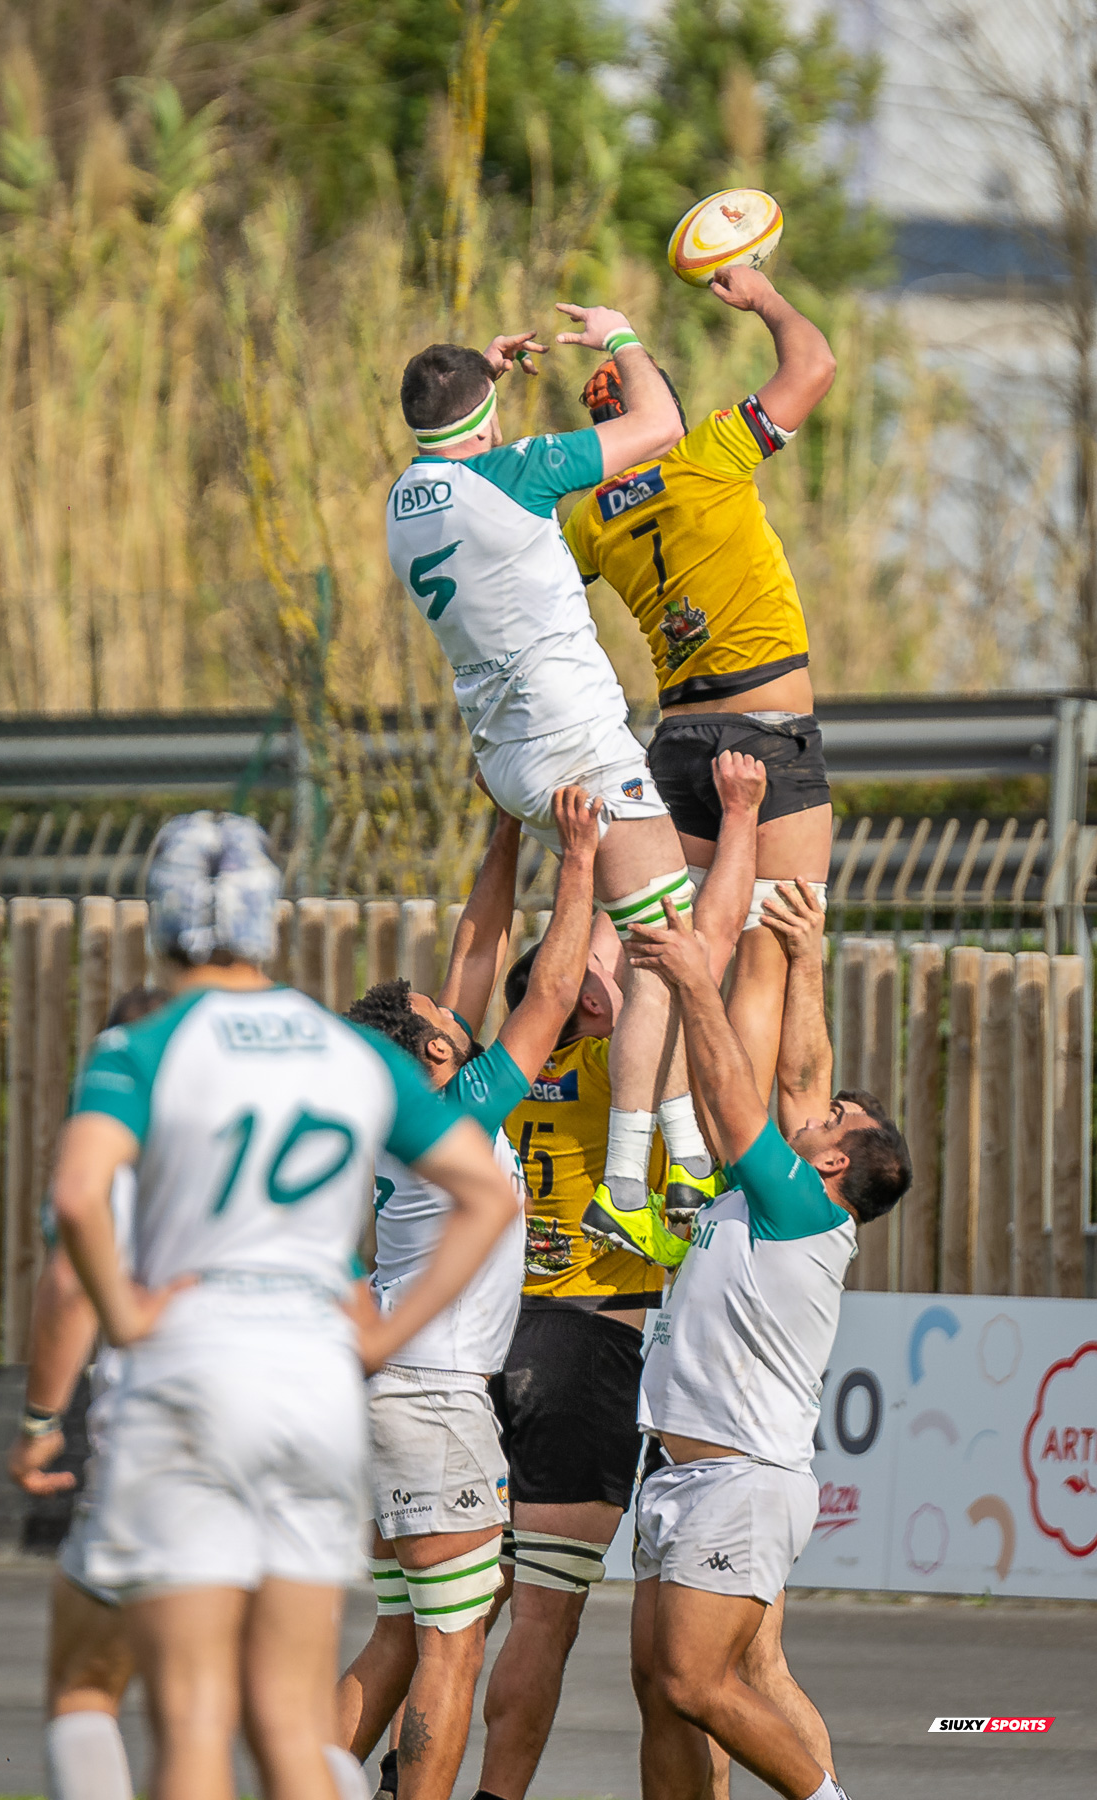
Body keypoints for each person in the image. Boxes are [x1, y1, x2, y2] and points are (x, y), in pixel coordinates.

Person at [50, 812, 520, 1800]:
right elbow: (486, 1194)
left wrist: (127, 1321)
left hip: (193, 1376)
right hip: (314, 1392)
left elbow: (78, 1200)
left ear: (160, 922)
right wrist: (387, 1329)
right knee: (290, 1725)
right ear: (270, 922)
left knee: (188, 1722)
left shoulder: (144, 1044)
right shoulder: (355, 1057)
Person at [388, 304, 714, 1259]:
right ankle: (627, 1182)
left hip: (509, 758)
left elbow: (453, 459)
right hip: (576, 745)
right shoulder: (515, 470)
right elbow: (659, 425)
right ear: (487, 424)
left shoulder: (404, 498)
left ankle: (687, 1166)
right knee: (671, 950)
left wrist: (481, 381)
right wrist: (619, 337)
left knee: (662, 944)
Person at [478, 752, 764, 1800]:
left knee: (444, 1615)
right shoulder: (614, 1062)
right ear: (588, 1003)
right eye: (603, 974)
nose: (615, 974)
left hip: (485, 1342)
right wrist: (716, 824)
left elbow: (490, 955)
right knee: (546, 1622)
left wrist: (523, 838)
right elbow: (692, 944)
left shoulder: (491, 1077)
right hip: (586, 1341)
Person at [335, 786, 601, 1800]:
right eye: (452, 1022)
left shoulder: (411, 1111)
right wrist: (574, 856)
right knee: (449, 1651)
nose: (466, 1015)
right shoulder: (454, 1114)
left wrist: (502, 834)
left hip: (390, 1395)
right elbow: (543, 994)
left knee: (401, 1636)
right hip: (436, 1395)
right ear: (434, 1052)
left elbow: (474, 954)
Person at [625, 877, 912, 1800]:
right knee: (662, 1696)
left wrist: (691, 983)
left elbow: (730, 1081)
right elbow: (796, 1077)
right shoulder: (780, 1194)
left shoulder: (796, 1204)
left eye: (832, 1123)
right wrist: (805, 957)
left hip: (739, 1482)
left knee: (695, 1682)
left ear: (832, 1162)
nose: (816, 1112)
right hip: (683, 1475)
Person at [563, 265, 838, 1096]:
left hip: (675, 749)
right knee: (761, 964)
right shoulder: (707, 452)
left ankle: (642, 1142)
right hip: (768, 737)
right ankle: (734, 1163)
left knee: (666, 959)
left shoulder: (587, 520)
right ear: (664, 413)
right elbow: (812, 367)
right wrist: (763, 298)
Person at [8, 988, 165, 1800]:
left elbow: (70, 1278)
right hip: (286, 1434)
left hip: (160, 1428)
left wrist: (39, 1423)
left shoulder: (107, 1145)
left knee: (84, 1687)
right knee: (263, 1708)